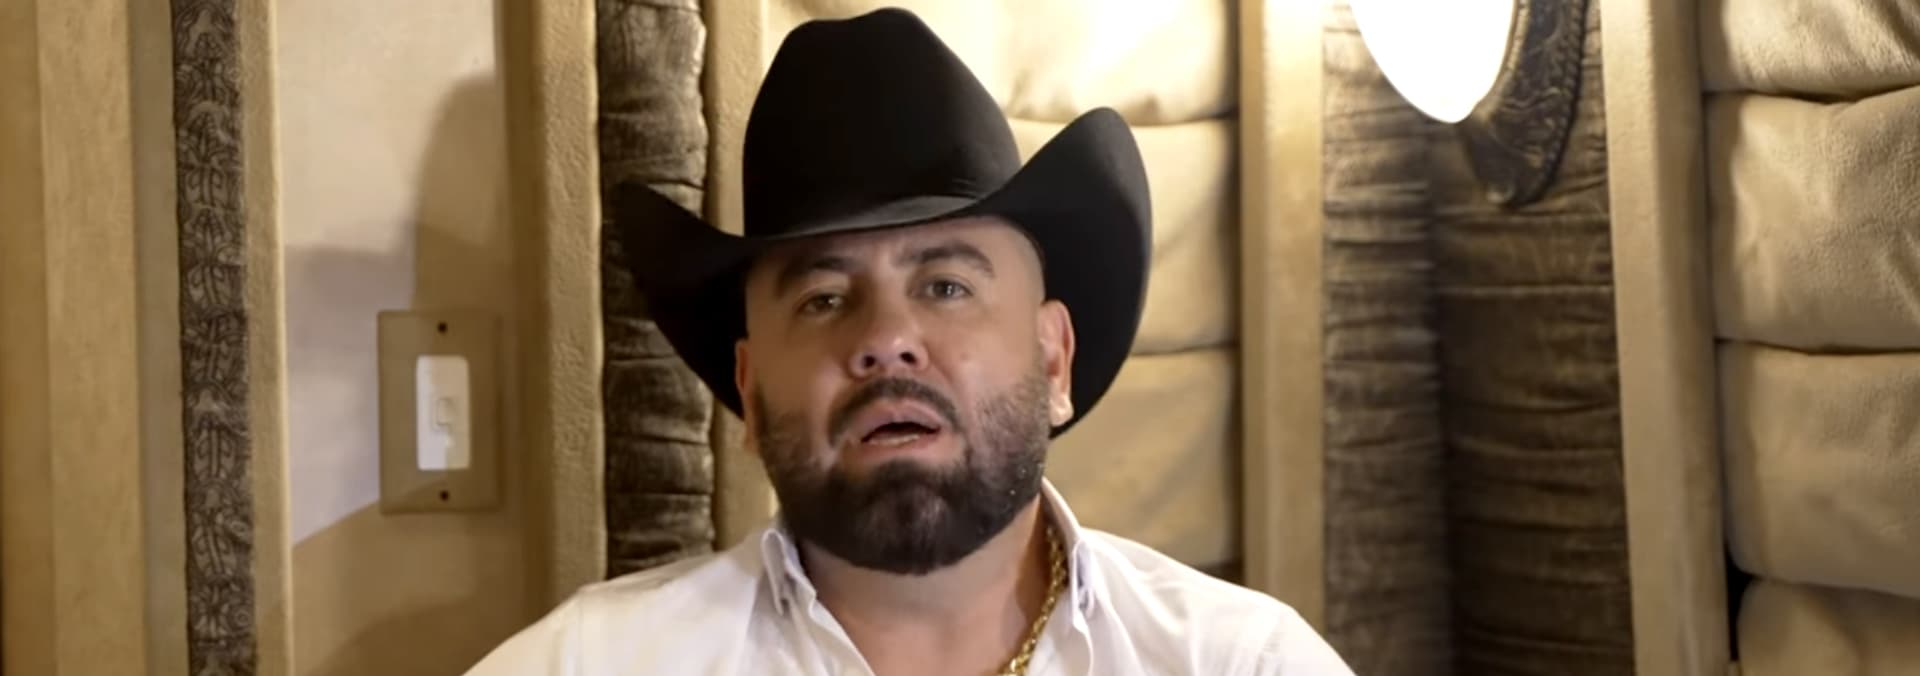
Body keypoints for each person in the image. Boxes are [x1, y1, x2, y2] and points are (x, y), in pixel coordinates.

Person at [464, 7, 1355, 675]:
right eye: (822, 299)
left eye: (946, 286)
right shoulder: (590, 663)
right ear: (750, 389)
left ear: (1054, 358)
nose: (886, 338)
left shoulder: (1243, 662)